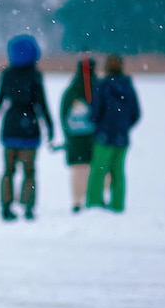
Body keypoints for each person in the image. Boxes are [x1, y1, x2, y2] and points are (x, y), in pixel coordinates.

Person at [0, 34, 54, 221]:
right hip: (29, 127)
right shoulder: (35, 75)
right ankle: (28, 206)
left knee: (8, 170)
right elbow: (42, 104)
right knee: (29, 171)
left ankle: (6, 206)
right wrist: (50, 126)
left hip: (10, 126)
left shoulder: (7, 74)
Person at [86, 54, 141, 212]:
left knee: (98, 171)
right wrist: (123, 127)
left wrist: (97, 123)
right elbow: (136, 113)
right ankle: (118, 205)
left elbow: (95, 112)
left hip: (103, 136)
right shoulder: (128, 86)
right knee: (118, 173)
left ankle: (94, 203)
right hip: (121, 138)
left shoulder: (102, 85)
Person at [59, 55, 98, 212]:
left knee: (78, 170)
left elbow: (63, 114)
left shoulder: (71, 90)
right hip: (94, 138)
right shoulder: (97, 87)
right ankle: (94, 198)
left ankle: (77, 201)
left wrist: (68, 135)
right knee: (96, 168)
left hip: (75, 138)